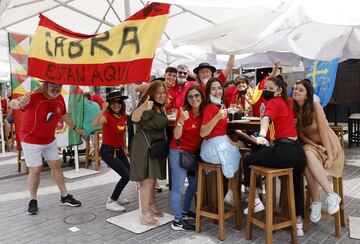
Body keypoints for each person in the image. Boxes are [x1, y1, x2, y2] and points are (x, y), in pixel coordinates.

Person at [242, 77, 306, 236]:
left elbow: (266, 118)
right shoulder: (288, 102)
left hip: (283, 151)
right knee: (297, 183)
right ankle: (298, 223)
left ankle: (255, 201)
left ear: (279, 91)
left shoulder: (274, 102)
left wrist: (262, 135)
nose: (266, 91)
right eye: (265, 87)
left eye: (270, 88)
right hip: (299, 152)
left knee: (247, 160)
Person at [8, 81, 83, 215]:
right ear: (45, 85)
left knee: (56, 165)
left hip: (49, 139)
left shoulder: (59, 98)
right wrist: (19, 104)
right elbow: (12, 103)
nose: (57, 88)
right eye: (53, 85)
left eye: (59, 86)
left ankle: (64, 196)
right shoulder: (34, 96)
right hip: (30, 138)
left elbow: (64, 114)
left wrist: (75, 128)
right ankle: (33, 200)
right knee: (36, 169)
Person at [293, 79, 344, 223]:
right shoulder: (296, 110)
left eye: (301, 90)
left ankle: (319, 200)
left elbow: (323, 132)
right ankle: (328, 196)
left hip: (328, 144)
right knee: (306, 155)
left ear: (308, 95)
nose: (296, 91)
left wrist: (330, 157)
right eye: (296, 89)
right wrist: (315, 146)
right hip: (313, 146)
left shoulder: (315, 107)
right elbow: (302, 135)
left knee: (306, 159)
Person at [130, 81, 168, 226]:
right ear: (151, 93)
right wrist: (144, 107)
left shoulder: (159, 107)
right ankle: (144, 214)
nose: (161, 95)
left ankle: (151, 205)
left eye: (163, 93)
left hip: (155, 145)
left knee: (153, 178)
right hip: (145, 146)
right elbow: (134, 118)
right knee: (147, 180)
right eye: (158, 93)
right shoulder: (147, 104)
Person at [200, 77, 241, 204]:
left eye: (219, 88)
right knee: (242, 153)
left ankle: (231, 192)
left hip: (220, 141)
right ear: (208, 92)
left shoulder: (220, 105)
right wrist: (217, 117)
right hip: (211, 146)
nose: (217, 91)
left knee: (240, 149)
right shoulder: (210, 107)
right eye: (213, 89)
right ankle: (231, 192)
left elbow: (221, 131)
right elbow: (203, 132)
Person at [169, 86, 205, 231]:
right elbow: (176, 135)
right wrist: (181, 121)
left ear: (201, 97)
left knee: (194, 185)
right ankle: (177, 221)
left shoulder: (204, 113)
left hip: (192, 154)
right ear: (186, 99)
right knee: (177, 187)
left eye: (196, 95)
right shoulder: (183, 113)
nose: (194, 99)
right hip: (179, 152)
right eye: (190, 97)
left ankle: (184, 211)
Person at [92, 90, 131, 212]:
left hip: (119, 150)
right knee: (126, 175)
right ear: (108, 104)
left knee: (129, 174)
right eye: (113, 102)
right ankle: (111, 201)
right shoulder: (106, 117)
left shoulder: (123, 116)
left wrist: (125, 147)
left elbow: (123, 132)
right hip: (108, 151)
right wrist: (102, 110)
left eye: (119, 102)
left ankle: (116, 196)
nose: (116, 105)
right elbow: (94, 124)